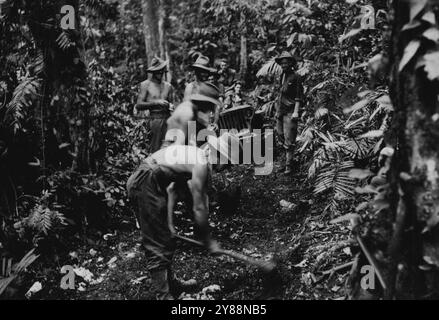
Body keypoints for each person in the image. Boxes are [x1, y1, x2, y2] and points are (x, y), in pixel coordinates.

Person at [126, 133, 240, 300]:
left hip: (151, 182)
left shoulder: (196, 156)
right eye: (228, 163)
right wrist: (208, 241)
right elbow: (200, 208)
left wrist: (170, 224)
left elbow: (174, 190)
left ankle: (171, 284)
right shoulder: (201, 163)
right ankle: (163, 296)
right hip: (145, 183)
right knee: (157, 243)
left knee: (165, 238)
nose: (226, 168)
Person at [135, 57, 175, 154]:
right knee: (154, 150)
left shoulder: (168, 86)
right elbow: (139, 105)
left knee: (168, 149)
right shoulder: (145, 85)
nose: (160, 73)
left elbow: (171, 104)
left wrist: (171, 107)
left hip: (167, 120)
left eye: (162, 71)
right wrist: (156, 102)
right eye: (158, 71)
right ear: (153, 71)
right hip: (154, 120)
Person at [274, 51, 304, 175]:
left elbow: (298, 96)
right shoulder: (282, 76)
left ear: (291, 63)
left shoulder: (296, 77)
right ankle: (286, 161)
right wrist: (277, 111)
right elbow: (279, 95)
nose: (284, 64)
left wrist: (296, 112)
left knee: (289, 139)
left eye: (286, 62)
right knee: (280, 135)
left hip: (290, 111)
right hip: (281, 111)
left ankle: (289, 166)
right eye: (282, 62)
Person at [166, 82, 222, 147]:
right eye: (211, 105)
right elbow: (180, 145)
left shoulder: (196, 110)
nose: (211, 108)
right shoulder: (187, 113)